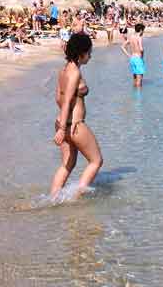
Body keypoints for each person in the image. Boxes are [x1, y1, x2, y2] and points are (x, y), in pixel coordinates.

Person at [50, 33, 102, 200]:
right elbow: (65, 102)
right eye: (89, 53)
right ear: (81, 54)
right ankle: (76, 197)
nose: (91, 56)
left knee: (68, 164)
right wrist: (65, 127)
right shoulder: (74, 73)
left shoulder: (64, 70)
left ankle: (53, 199)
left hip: (61, 122)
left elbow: (58, 97)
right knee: (96, 161)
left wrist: (61, 126)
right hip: (74, 125)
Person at [121, 24, 145, 88]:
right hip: (138, 58)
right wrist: (142, 56)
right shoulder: (139, 37)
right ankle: (139, 96)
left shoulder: (131, 37)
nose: (143, 32)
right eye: (143, 31)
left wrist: (128, 55)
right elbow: (141, 49)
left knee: (135, 79)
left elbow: (122, 46)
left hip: (132, 58)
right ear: (141, 30)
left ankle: (134, 95)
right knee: (139, 81)